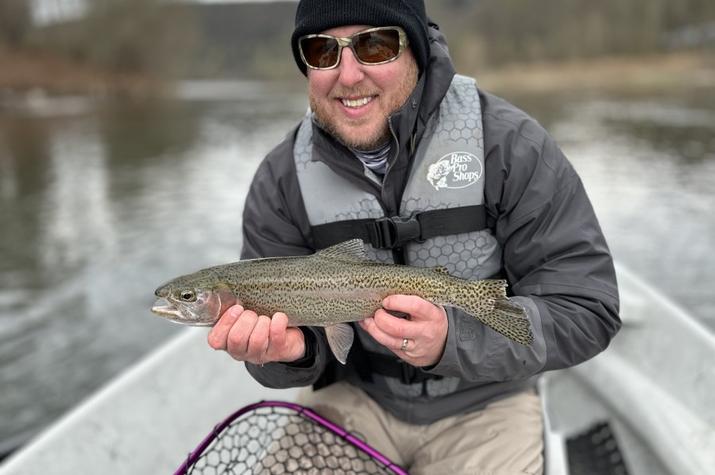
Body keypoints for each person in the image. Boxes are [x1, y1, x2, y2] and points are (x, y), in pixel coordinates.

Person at [207, 1, 621, 473]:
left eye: (374, 44)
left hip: (487, 402)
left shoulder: (511, 146)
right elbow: (307, 353)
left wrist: (454, 337)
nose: (348, 75)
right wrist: (292, 354)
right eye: (322, 51)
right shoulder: (280, 180)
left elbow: (587, 311)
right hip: (355, 402)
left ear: (416, 51)